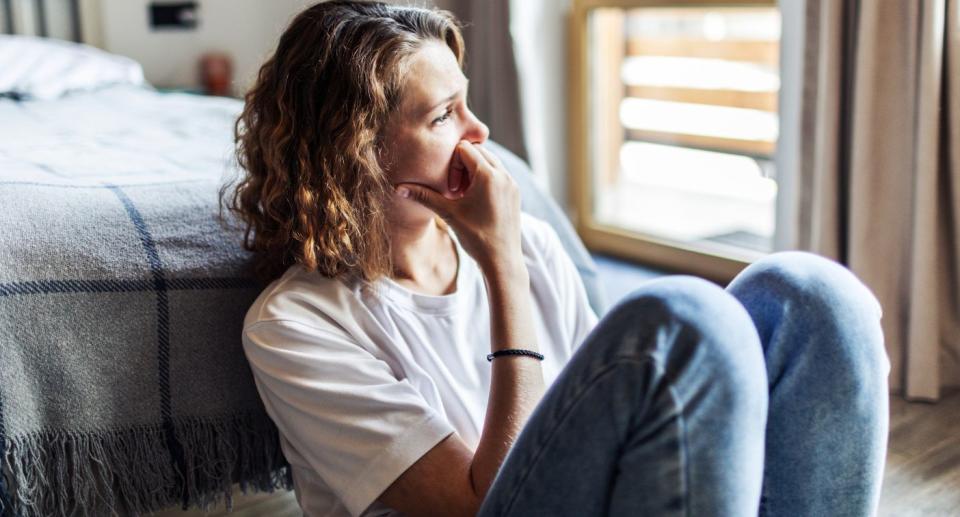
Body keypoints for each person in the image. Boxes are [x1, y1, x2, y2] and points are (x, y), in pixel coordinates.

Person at [219, 1, 891, 516]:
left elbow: (607, 419)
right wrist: (502, 265)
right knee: (683, 318)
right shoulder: (296, 324)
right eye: (443, 115)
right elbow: (479, 501)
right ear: (357, 150)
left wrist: (512, 250)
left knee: (810, 293)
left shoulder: (533, 240)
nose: (480, 133)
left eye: (468, 101)